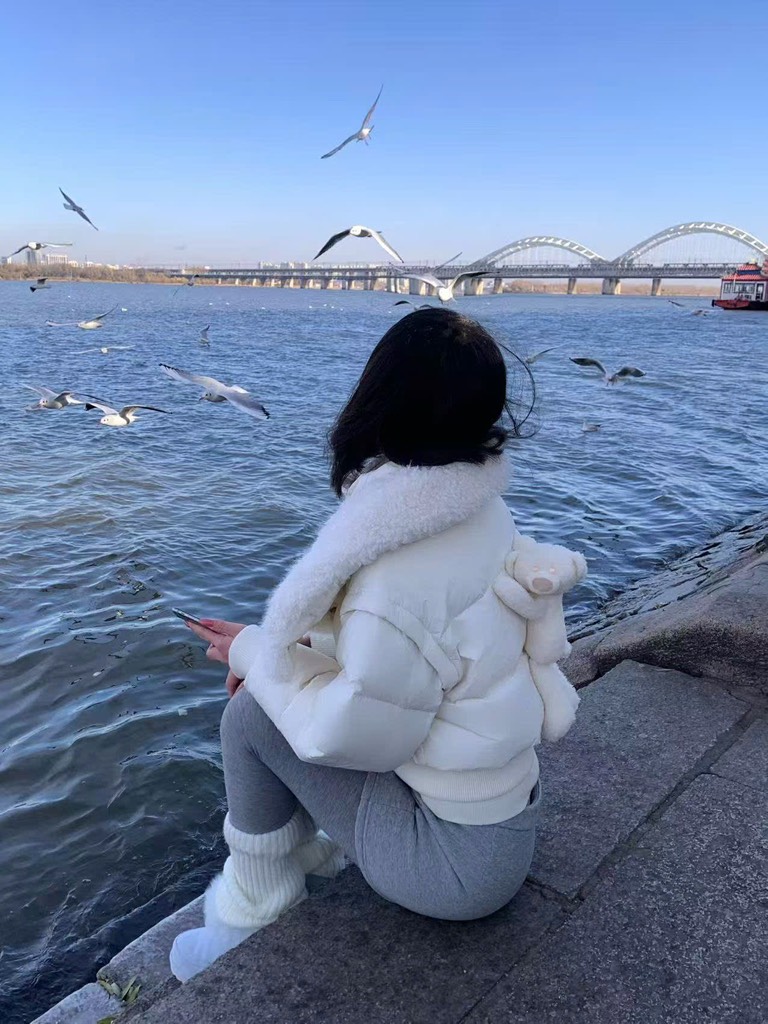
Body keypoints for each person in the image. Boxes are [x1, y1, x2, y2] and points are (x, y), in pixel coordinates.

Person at [170, 307, 586, 982]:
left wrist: (255, 656)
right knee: (277, 695)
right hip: (500, 823)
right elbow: (420, 660)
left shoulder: (393, 572)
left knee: (249, 719)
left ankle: (244, 922)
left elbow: (346, 735)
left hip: (453, 870)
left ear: (379, 401)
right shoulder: (483, 510)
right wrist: (281, 644)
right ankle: (308, 852)